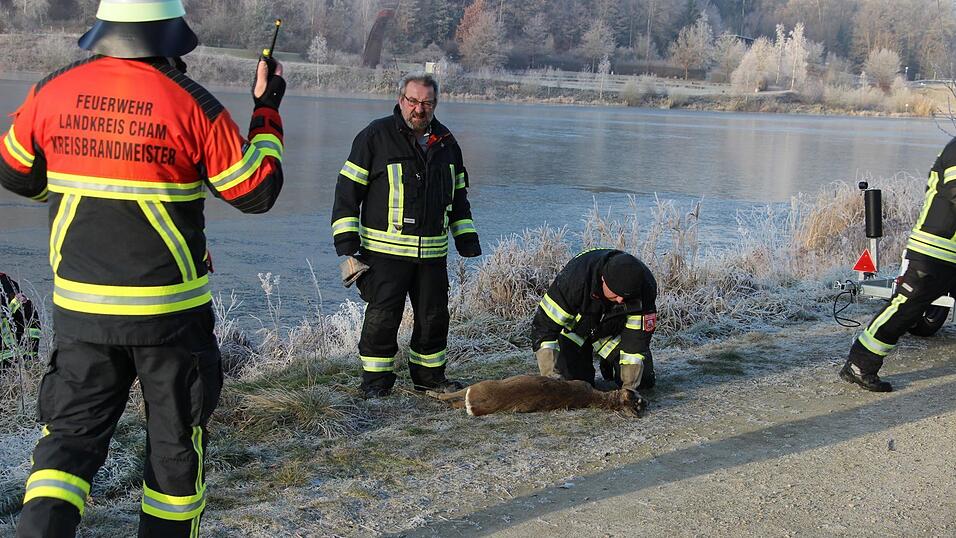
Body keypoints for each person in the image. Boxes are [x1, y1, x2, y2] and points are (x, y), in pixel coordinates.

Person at [0, 0, 286, 535]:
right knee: (175, 452)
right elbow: (257, 190)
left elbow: (15, 172)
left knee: (64, 448)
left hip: (82, 313)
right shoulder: (193, 104)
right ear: (172, 39)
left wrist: (58, 193)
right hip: (170, 319)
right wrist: (266, 110)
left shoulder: (50, 90)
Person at [332, 72, 481, 398]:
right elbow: (347, 191)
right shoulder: (375, 136)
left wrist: (466, 238)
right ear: (401, 100)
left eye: (427, 103)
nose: (419, 109)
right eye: (413, 101)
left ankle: (430, 381)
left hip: (431, 256)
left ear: (435, 104)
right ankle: (376, 386)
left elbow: (458, 196)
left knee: (433, 320)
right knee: (382, 321)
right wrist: (347, 245)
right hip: (384, 256)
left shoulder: (447, 143)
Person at [841, 139, 956, 392]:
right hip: (933, 250)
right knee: (906, 309)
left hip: (947, 252)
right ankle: (860, 363)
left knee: (908, 309)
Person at [532, 249, 658, 394]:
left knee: (644, 381)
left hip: (610, 333)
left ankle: (608, 362)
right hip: (573, 332)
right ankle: (581, 363)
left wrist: (629, 389)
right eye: (616, 293)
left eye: (625, 297)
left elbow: (636, 340)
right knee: (574, 387)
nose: (620, 300)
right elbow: (543, 329)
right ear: (603, 279)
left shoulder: (645, 287)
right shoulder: (574, 279)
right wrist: (550, 380)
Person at [0, 272, 41, 369]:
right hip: (17, 358)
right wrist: (31, 356)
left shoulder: (6, 284)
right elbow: (30, 314)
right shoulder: (8, 283)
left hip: (9, 359)